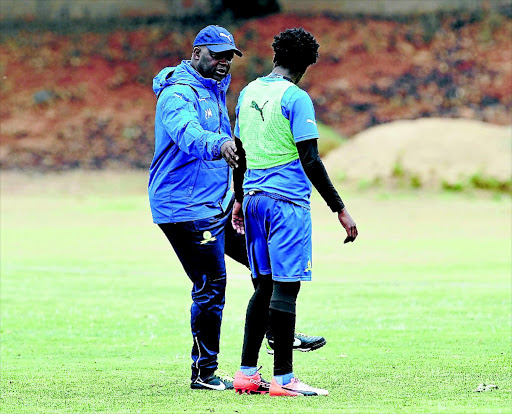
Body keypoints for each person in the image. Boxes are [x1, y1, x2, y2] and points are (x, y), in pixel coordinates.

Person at [148, 25, 326, 391]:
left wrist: (237, 197)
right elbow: (187, 133)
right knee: (212, 285)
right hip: (184, 208)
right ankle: (205, 374)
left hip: (216, 201)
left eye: (229, 57)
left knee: (269, 268)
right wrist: (220, 144)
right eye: (216, 55)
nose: (224, 63)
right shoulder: (177, 94)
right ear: (196, 52)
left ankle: (280, 333)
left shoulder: (215, 85)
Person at [231, 27, 358, 397]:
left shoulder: (249, 92)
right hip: (285, 202)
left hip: (253, 199)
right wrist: (340, 208)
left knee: (263, 286)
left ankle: (246, 374)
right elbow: (311, 160)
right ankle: (284, 379)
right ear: (306, 65)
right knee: (287, 287)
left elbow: (239, 151)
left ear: (275, 56)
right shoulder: (296, 97)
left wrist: (239, 198)